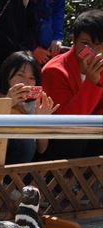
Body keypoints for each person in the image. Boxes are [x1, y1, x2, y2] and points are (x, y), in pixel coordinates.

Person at [0, 50, 59, 164]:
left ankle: (10, 182)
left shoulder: (31, 103)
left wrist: (42, 122)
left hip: (13, 170)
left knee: (27, 142)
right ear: (7, 74)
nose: (25, 82)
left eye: (31, 78)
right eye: (20, 75)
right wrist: (7, 103)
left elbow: (41, 149)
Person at [41, 9, 103, 159]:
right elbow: (69, 122)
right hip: (60, 141)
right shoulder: (54, 71)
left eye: (99, 44)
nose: (92, 51)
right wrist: (92, 82)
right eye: (85, 43)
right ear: (73, 41)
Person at [33, 0, 65, 66]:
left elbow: (58, 13)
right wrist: (32, 48)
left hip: (47, 49)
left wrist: (57, 38)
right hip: (27, 48)